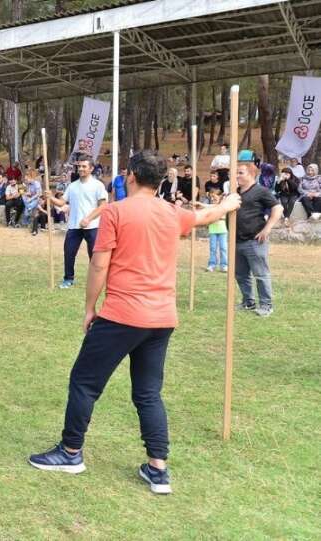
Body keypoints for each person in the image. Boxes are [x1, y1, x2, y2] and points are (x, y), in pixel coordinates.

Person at [27, 150, 242, 495]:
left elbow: (99, 265)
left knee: (84, 381)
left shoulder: (116, 211)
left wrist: (89, 307)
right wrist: (229, 203)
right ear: (159, 182)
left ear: (130, 177)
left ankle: (70, 453)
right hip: (161, 319)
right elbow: (206, 217)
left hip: (123, 315)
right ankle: (158, 469)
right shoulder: (173, 212)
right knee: (148, 392)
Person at [47, 155, 108, 289]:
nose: (80, 169)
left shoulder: (97, 185)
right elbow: (62, 202)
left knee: (95, 256)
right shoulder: (72, 186)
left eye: (84, 166)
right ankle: (68, 279)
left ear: (91, 168)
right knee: (69, 252)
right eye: (79, 166)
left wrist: (88, 219)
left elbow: (103, 206)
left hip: (92, 226)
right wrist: (50, 197)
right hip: (74, 226)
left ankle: (97, 280)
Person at [234, 162, 283, 317]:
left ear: (251, 174)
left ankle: (266, 305)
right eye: (236, 172)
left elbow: (278, 208)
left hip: (254, 241)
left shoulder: (260, 191)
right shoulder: (235, 192)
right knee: (241, 274)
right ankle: (248, 302)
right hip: (237, 241)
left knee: (260, 274)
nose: (237, 176)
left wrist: (267, 229)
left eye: (240, 173)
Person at [200, 190, 228, 272]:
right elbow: (205, 205)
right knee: (213, 248)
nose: (213, 199)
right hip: (213, 230)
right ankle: (212, 265)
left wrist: (216, 218)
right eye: (211, 197)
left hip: (223, 230)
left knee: (223, 248)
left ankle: (224, 265)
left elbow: (224, 217)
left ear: (220, 197)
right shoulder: (211, 206)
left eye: (215, 197)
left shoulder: (223, 206)